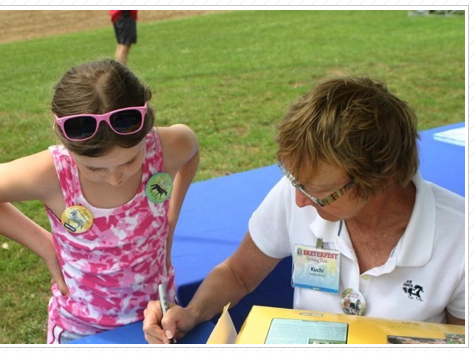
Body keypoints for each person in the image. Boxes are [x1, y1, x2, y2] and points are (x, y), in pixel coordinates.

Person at [142, 76, 465, 344]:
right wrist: (193, 313)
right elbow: (239, 273)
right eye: (295, 182)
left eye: (321, 193)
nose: (300, 202)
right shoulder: (300, 188)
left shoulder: (459, 239)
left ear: (384, 176)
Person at [0, 59, 200, 344]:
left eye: (130, 161)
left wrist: (169, 224)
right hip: (82, 328)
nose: (114, 178)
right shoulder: (51, 173)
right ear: (62, 135)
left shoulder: (169, 147)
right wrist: (46, 246)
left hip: (159, 314)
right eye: (94, 168)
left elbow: (191, 151)